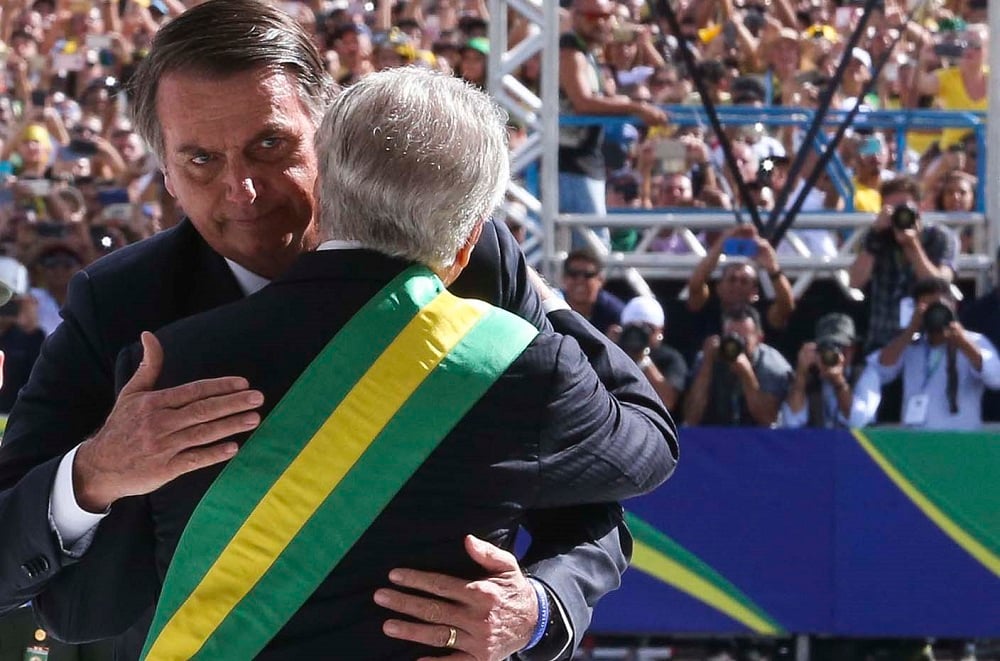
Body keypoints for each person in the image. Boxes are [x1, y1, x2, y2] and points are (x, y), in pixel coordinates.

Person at [0, 2, 640, 660]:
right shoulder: (119, 302)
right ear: (162, 172)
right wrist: (95, 472)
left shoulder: (467, 255)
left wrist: (536, 607)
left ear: (328, 133)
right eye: (200, 161)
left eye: (269, 145)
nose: (242, 190)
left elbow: (595, 505)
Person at [558, 0, 666, 243]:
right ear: (576, 17)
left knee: (589, 243)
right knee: (593, 246)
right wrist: (634, 107)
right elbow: (582, 102)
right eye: (593, 16)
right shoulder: (570, 53)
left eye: (607, 16)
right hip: (570, 162)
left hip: (584, 159)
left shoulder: (587, 53)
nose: (603, 23)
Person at [856, 277, 1000, 430]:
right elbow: (880, 368)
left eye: (939, 306)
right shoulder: (910, 345)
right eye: (929, 308)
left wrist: (964, 343)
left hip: (960, 442)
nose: (935, 314)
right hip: (917, 442)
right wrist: (911, 329)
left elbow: (996, 378)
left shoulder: (974, 341)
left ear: (953, 306)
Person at [848, 175, 958, 354]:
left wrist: (912, 245)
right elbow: (855, 282)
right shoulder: (876, 237)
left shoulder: (941, 237)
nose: (900, 215)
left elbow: (941, 286)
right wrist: (875, 237)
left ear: (920, 207)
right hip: (883, 341)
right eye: (893, 209)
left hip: (929, 339)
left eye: (904, 208)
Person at [684, 304, 792, 427]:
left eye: (743, 339)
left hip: (760, 440)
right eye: (731, 338)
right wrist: (707, 364)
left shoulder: (772, 366)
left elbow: (769, 420)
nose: (735, 346)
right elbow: (690, 418)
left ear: (759, 338)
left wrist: (747, 374)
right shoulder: (706, 358)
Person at [780, 313, 871, 429]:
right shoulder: (808, 377)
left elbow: (857, 421)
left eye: (840, 346)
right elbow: (791, 422)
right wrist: (801, 374)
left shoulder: (865, 374)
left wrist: (839, 381)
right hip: (814, 444)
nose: (831, 353)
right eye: (826, 347)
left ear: (852, 349)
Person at [614, 295, 687, 415]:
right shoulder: (613, 356)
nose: (636, 336)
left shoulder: (670, 358)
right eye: (632, 329)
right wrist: (608, 346)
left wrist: (643, 360)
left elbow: (668, 401)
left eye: (648, 328)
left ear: (660, 331)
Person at [560, 247, 624, 336]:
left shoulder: (615, 313)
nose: (580, 280)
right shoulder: (553, 306)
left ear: (600, 280)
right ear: (564, 278)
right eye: (573, 274)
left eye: (588, 275)